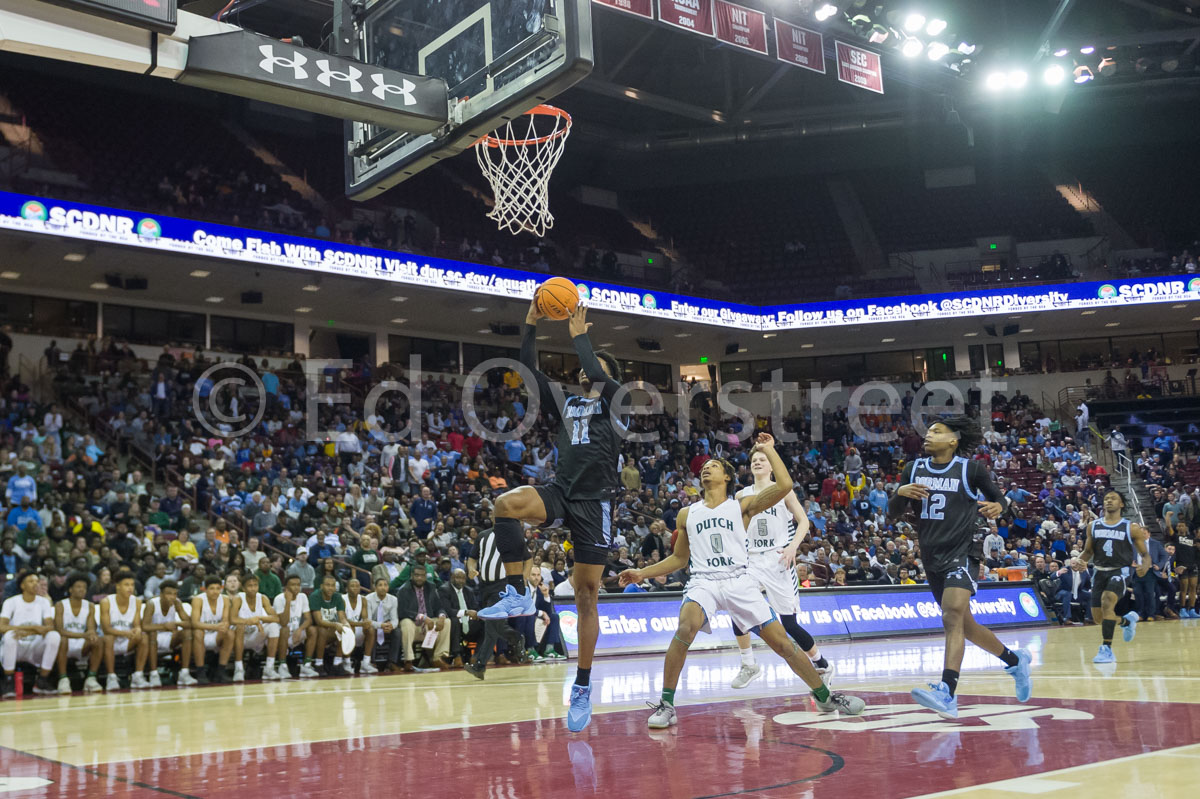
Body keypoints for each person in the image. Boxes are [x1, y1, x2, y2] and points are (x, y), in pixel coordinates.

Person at [620, 434, 866, 728]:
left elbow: (785, 486)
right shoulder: (687, 513)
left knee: (783, 644)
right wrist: (641, 573)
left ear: (726, 475)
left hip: (739, 578)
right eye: (704, 467)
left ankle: (825, 696)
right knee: (685, 626)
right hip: (704, 581)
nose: (705, 469)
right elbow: (679, 559)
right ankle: (667, 704)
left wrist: (767, 450)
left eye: (713, 466)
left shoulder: (742, 505)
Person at [478, 301, 626, 731]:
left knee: (585, 595)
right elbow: (527, 370)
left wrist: (581, 337)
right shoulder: (567, 402)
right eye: (582, 367)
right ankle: (516, 590)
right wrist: (529, 323)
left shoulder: (616, 398)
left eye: (591, 367)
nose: (584, 372)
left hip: (595, 502)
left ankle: (582, 684)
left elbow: (597, 373)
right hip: (562, 491)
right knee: (504, 504)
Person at [887, 417, 1032, 719]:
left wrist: (999, 506)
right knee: (964, 625)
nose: (928, 435)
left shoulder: (970, 469)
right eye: (928, 431)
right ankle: (1015, 660)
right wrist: (899, 495)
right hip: (931, 554)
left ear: (953, 440)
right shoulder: (913, 469)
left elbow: (999, 498)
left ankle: (947, 691)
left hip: (963, 549)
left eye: (937, 431)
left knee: (951, 614)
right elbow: (893, 513)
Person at [729, 448, 831, 691]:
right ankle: (748, 663)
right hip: (751, 559)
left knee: (790, 625)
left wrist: (793, 548)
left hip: (778, 559)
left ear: (772, 465)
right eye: (753, 460)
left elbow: (804, 521)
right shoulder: (742, 494)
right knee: (737, 607)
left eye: (762, 459)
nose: (757, 462)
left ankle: (821, 663)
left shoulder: (784, 490)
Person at [1072, 491, 1149, 664]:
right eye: (1106, 498)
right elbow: (1088, 552)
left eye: (1113, 498)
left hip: (1120, 571)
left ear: (1121, 504)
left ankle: (1106, 649)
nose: (1108, 500)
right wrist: (1078, 561)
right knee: (1099, 618)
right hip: (1099, 572)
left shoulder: (1131, 528)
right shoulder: (1094, 526)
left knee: (1108, 601)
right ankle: (1126, 622)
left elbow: (1145, 554)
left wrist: (1145, 565)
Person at [463, 527, 527, 680]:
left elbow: (525, 559)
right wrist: (471, 569)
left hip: (502, 585)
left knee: (494, 622)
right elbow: (472, 558)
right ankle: (479, 666)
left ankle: (516, 638)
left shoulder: (512, 534)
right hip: (484, 587)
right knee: (491, 627)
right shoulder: (483, 536)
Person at [1, 570, 62, 697]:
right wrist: (35, 628)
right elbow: (2, 626)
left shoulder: (44, 602)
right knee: (10, 636)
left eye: (37, 581)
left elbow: (49, 626)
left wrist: (27, 631)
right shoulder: (11, 602)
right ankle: (8, 682)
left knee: (54, 636)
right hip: (15, 647)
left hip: (34, 647)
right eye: (31, 581)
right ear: (22, 586)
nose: (35, 584)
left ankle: (42, 681)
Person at [101, 571, 150, 691]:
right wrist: (125, 633)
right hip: (110, 642)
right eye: (126, 585)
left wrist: (137, 630)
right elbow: (106, 629)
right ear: (118, 586)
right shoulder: (106, 602)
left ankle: (138, 676)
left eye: (132, 585)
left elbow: (137, 624)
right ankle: (111, 677)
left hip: (128, 641)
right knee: (108, 638)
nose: (130, 588)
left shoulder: (137, 601)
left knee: (144, 637)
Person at [54, 573, 103, 693]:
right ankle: (63, 680)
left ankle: (91, 678)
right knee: (62, 639)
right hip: (64, 644)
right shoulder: (61, 605)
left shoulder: (90, 606)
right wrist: (83, 635)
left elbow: (91, 629)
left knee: (98, 640)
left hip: (81, 645)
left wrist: (91, 633)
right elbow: (60, 630)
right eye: (78, 587)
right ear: (70, 589)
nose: (82, 589)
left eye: (84, 587)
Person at [396, 567, 449, 671]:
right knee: (405, 622)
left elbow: (439, 607)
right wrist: (423, 617)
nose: (419, 578)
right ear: (412, 576)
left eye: (422, 575)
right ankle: (408, 660)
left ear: (426, 576)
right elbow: (402, 611)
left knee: (447, 622)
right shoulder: (404, 589)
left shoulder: (431, 587)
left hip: (429, 627)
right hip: (414, 627)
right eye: (417, 575)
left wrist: (442, 616)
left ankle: (437, 658)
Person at [143, 579, 193, 687]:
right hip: (153, 638)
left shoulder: (177, 603)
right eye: (169, 594)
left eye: (175, 594)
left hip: (170, 638)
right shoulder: (151, 604)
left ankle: (184, 673)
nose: (172, 597)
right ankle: (154, 674)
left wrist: (176, 623)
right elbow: (145, 626)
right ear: (161, 594)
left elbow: (189, 623)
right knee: (152, 634)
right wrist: (164, 626)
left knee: (187, 633)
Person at [231, 573, 280, 682]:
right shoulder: (238, 599)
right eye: (250, 586)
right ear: (243, 588)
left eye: (255, 585)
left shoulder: (263, 598)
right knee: (240, 626)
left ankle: (269, 668)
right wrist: (248, 621)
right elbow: (232, 619)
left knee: (274, 626)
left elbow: (276, 618)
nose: (253, 588)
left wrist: (258, 618)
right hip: (241, 637)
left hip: (256, 635)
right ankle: (239, 669)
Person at [273, 575, 319, 679]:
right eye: (293, 585)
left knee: (312, 630)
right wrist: (288, 602)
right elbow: (284, 622)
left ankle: (307, 665)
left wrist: (300, 629)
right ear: (286, 588)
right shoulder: (279, 599)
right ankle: (282, 666)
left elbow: (308, 619)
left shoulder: (302, 597)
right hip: (281, 635)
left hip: (296, 633)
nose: (296, 587)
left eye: (298, 585)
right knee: (285, 629)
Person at [190, 575, 234, 684]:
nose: (215, 592)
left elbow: (225, 620)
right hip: (202, 633)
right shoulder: (198, 600)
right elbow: (195, 623)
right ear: (205, 589)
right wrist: (215, 626)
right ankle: (201, 672)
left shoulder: (225, 599)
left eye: (218, 588)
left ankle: (221, 671)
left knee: (230, 633)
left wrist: (223, 625)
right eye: (212, 588)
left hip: (217, 634)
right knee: (198, 632)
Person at [309, 574, 350, 676]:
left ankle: (338, 663)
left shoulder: (338, 597)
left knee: (345, 629)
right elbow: (319, 621)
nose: (330, 588)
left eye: (333, 585)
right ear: (322, 586)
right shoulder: (315, 596)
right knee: (323, 629)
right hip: (315, 631)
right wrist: (336, 624)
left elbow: (342, 617)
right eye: (328, 585)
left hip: (331, 629)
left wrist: (346, 625)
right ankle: (318, 664)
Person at [438, 569, 478, 668]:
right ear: (452, 578)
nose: (461, 581)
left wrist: (477, 614)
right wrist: (466, 612)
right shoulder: (444, 589)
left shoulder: (469, 590)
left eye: (463, 578)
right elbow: (447, 610)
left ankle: (477, 655)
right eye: (458, 577)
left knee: (485, 624)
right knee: (454, 621)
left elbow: (475, 607)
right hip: (455, 622)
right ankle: (457, 656)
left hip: (469, 622)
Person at [342, 578, 377, 674]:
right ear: (347, 589)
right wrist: (361, 623)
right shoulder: (342, 599)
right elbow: (343, 620)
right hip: (343, 630)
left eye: (357, 586)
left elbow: (365, 618)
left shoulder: (363, 600)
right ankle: (347, 662)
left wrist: (366, 623)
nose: (355, 588)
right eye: (352, 586)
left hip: (357, 628)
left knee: (370, 629)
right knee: (349, 628)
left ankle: (365, 663)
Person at [1172, 522, 1198, 618]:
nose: (1181, 527)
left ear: (1186, 527)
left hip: (1192, 565)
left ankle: (1192, 609)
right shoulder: (1175, 537)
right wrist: (1167, 517)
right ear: (1177, 528)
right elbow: (1168, 527)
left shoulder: (1192, 538)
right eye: (1179, 526)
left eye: (1182, 525)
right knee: (1184, 588)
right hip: (1181, 565)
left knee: (1193, 588)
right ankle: (1182, 609)